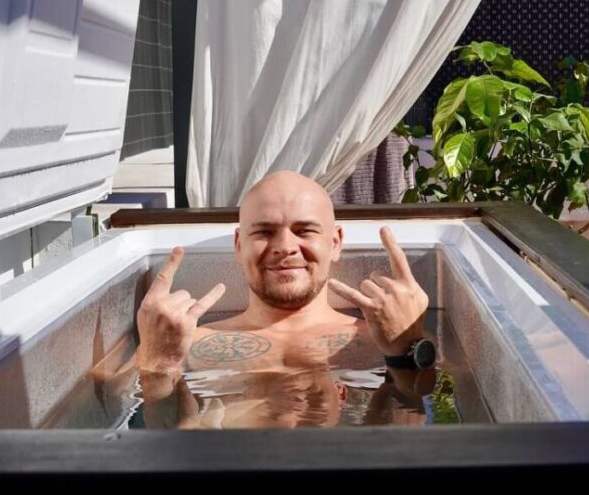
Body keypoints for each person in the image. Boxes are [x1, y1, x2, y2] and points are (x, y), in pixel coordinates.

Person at [133, 170, 436, 429]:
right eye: (265, 231)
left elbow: (416, 434)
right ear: (239, 245)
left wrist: (404, 351)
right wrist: (159, 363)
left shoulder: (387, 338)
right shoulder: (181, 344)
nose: (285, 246)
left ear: (335, 242)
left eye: (304, 230)